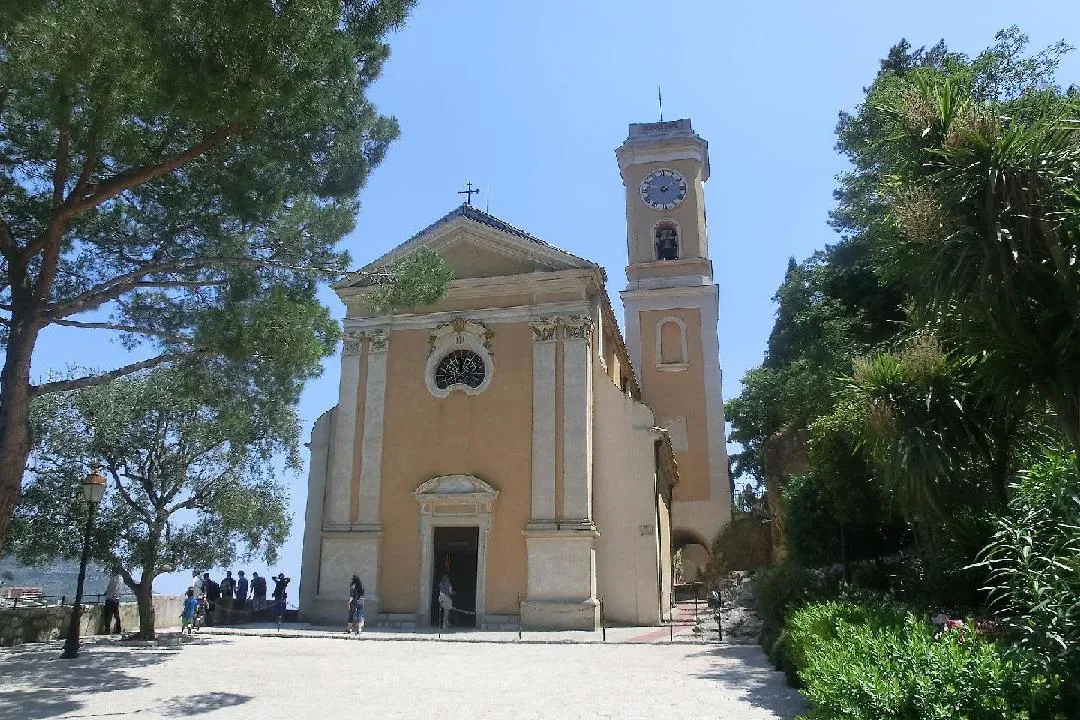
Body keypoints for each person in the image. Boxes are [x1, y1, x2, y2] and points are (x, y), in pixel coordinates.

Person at [100, 568, 123, 635]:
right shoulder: (120, 578)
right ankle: (118, 629)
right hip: (116, 598)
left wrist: (107, 593)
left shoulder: (114, 578)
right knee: (116, 615)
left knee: (107, 615)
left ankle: (107, 630)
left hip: (110, 598)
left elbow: (111, 588)